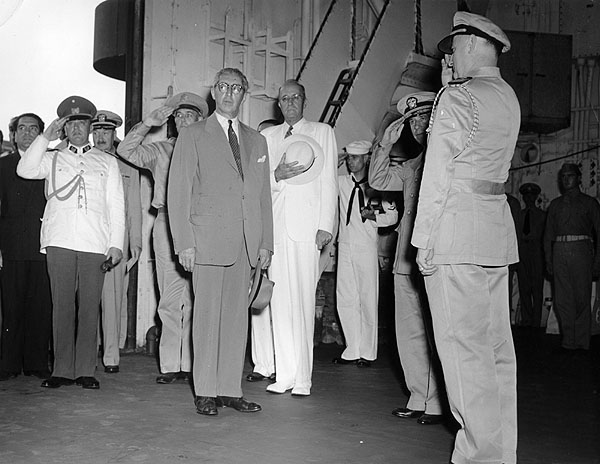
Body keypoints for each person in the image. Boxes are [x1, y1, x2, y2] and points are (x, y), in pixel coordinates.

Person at [412, 13, 520, 464]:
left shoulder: (458, 98)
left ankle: (477, 457)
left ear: (473, 44)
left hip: (455, 233)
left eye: (453, 47)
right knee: (496, 356)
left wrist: (423, 241)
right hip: (493, 233)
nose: (449, 56)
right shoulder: (507, 96)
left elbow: (437, 173)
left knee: (462, 355)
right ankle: (499, 454)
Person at [168, 67, 273, 415]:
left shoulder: (257, 140)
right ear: (214, 91)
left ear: (245, 94)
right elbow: (178, 192)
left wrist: (265, 243)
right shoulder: (194, 134)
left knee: (236, 320)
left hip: (246, 242)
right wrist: (184, 242)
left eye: (237, 88)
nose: (229, 93)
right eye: (223, 87)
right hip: (207, 240)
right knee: (207, 318)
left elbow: (262, 197)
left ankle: (230, 388)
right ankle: (206, 391)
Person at [17, 96, 125, 390]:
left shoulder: (106, 162)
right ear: (64, 127)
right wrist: (44, 137)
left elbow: (116, 206)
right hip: (60, 239)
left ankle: (85, 370)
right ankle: (62, 369)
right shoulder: (51, 157)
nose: (77, 128)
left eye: (82, 122)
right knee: (61, 305)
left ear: (90, 126)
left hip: (94, 242)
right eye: (71, 123)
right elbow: (24, 169)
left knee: (90, 307)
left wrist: (116, 244)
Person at [118, 92, 208, 384]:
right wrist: (146, 124)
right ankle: (171, 365)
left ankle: (192, 365)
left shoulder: (209, 151)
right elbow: (126, 151)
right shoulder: (160, 151)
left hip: (200, 225)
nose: (183, 120)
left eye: (189, 116)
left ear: (200, 120)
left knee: (197, 296)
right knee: (169, 298)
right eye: (178, 116)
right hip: (167, 223)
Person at [369, 91, 445, 426]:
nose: (418, 125)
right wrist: (384, 145)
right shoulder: (411, 166)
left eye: (424, 118)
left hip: (432, 260)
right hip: (405, 261)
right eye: (413, 120)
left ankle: (440, 403)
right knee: (409, 332)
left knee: (433, 332)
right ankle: (419, 396)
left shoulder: (445, 162)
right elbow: (376, 179)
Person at [259, 79, 337, 396]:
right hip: (276, 228)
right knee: (279, 303)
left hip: (307, 231)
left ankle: (303, 378)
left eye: (295, 97)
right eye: (285, 98)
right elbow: (259, 182)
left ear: (304, 101)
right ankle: (285, 374)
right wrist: (276, 176)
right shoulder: (267, 136)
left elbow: (330, 181)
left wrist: (325, 226)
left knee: (303, 301)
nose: (290, 102)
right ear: (279, 105)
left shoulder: (323, 132)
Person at [335, 140, 397, 367]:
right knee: (346, 298)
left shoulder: (377, 187)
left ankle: (368, 352)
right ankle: (352, 348)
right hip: (345, 245)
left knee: (367, 298)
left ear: (366, 159)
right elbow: (321, 180)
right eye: (349, 157)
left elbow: (392, 216)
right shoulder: (342, 183)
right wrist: (336, 162)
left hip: (366, 247)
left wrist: (374, 216)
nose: (351, 162)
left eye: (355, 157)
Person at [0, 113, 52, 380]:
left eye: (34, 129)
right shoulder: (3, 166)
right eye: (23, 128)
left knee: (40, 308)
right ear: (13, 135)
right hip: (11, 249)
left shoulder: (50, 162)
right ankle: (8, 365)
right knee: (12, 308)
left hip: (43, 247)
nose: (28, 133)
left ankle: (36, 364)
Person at [92, 110, 142, 373]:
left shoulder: (126, 164)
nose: (101, 137)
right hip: (90, 238)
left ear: (115, 134)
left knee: (112, 300)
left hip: (116, 240)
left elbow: (134, 205)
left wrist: (135, 241)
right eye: (97, 131)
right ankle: (89, 351)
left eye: (106, 132)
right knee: (89, 298)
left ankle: (111, 356)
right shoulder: (85, 160)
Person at [544, 163, 600, 351]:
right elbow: (548, 236)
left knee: (582, 298)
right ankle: (569, 341)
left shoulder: (590, 203)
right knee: (562, 300)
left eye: (570, 175)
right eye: (563, 176)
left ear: (578, 178)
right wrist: (548, 260)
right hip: (560, 251)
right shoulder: (555, 205)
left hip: (582, 251)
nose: (566, 179)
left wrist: (597, 261)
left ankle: (582, 342)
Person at [517, 182, 546, 328]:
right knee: (524, 288)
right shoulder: (519, 216)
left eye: (531, 195)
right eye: (526, 196)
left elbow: (546, 237)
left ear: (536, 197)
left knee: (537, 288)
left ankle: (536, 321)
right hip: (522, 252)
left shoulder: (542, 216)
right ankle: (526, 320)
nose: (529, 198)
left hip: (536, 253)